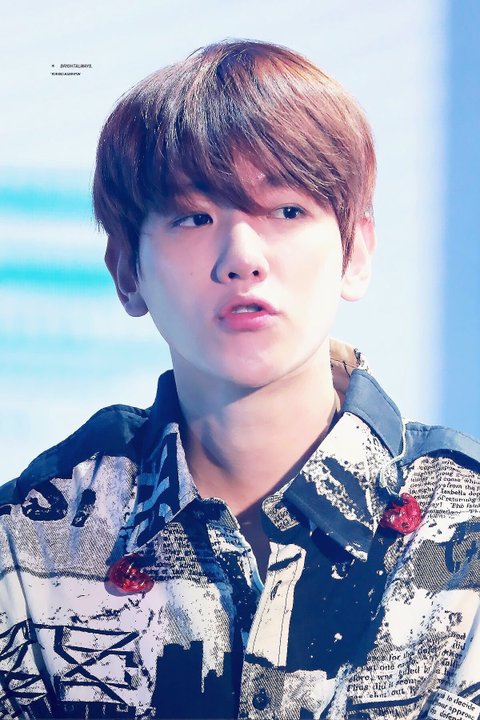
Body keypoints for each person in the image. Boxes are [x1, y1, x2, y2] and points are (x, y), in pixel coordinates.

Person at [0, 39, 479, 720]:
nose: (242, 257)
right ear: (126, 271)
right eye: (195, 217)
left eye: (287, 211)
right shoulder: (30, 546)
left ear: (356, 251)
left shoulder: (464, 525)